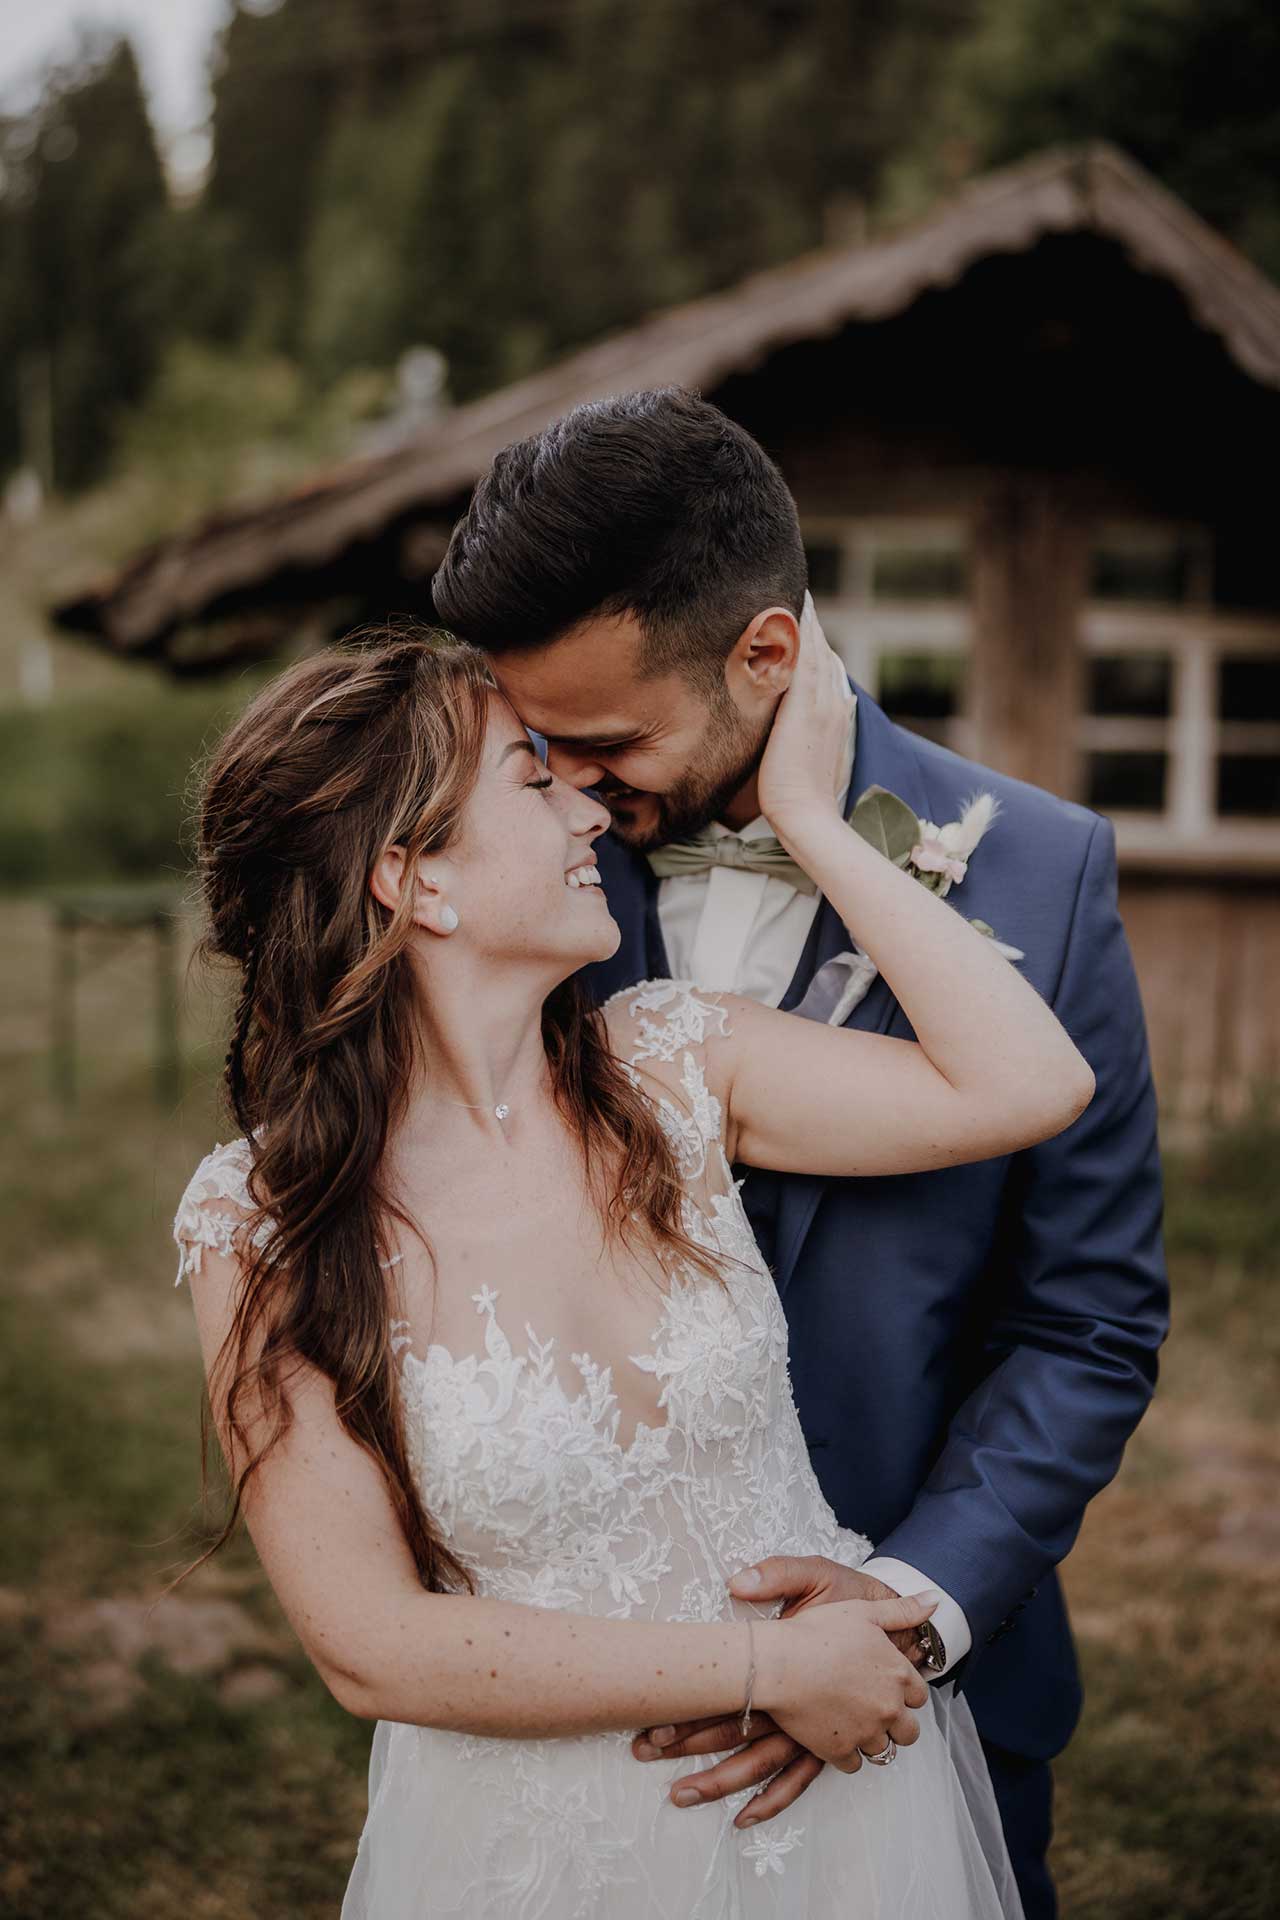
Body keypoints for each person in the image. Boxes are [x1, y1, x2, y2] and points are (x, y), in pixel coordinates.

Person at [172, 626, 1094, 1918]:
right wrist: (770, 1667)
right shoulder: (259, 1222)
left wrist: (815, 825)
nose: (587, 805)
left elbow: (1033, 1082)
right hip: (546, 1844)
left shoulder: (674, 1063)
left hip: (841, 1809)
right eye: (531, 778)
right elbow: (373, 1647)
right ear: (413, 881)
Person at [431, 387, 1170, 1920]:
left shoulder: (1040, 874)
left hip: (915, 1694)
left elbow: (1086, 1322)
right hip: (590, 1685)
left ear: (767, 654)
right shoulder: (525, 868)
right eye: (538, 747)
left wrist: (910, 1605)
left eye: (608, 741)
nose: (571, 787)